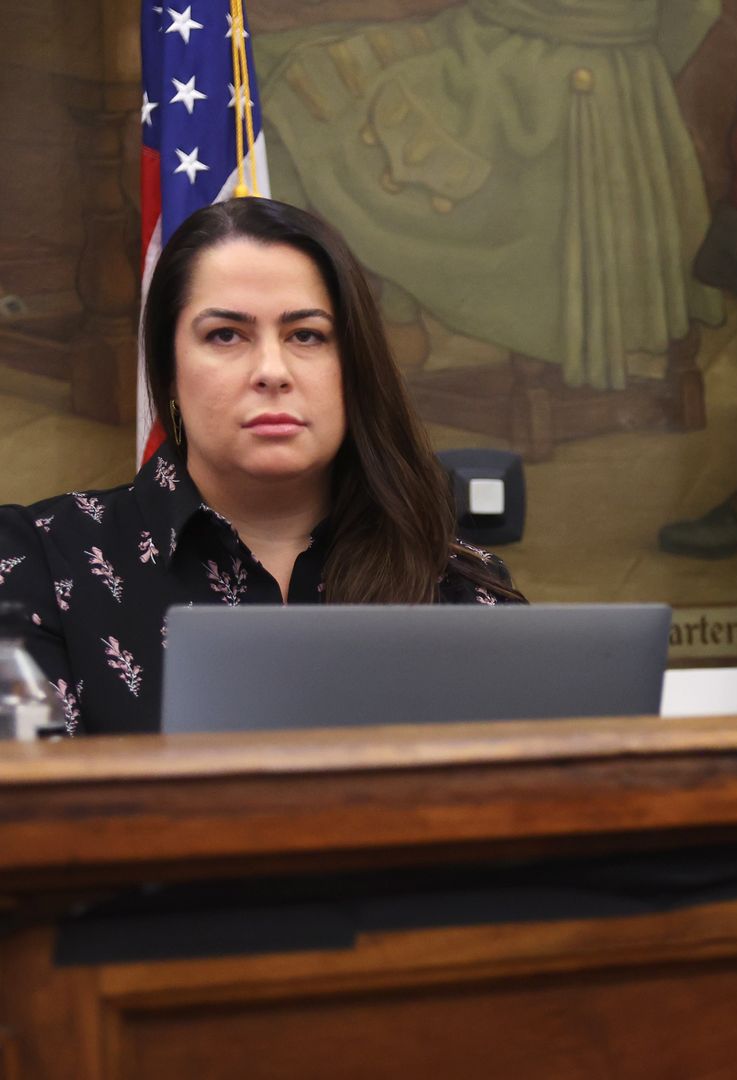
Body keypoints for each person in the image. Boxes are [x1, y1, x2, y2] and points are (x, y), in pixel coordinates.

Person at [0, 198, 522, 736]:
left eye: (307, 335)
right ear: (169, 370)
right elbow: (31, 807)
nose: (272, 371)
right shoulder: (33, 562)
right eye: (225, 335)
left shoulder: (460, 587)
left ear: (353, 368)